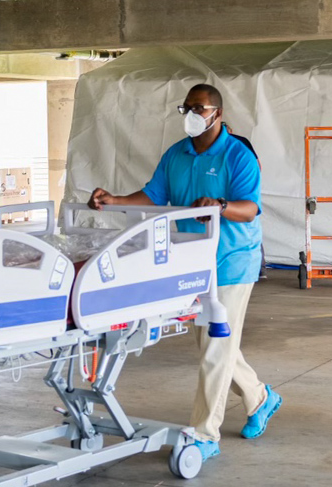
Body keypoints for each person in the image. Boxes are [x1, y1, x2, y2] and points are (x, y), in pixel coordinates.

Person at [88, 83, 282, 461]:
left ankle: (205, 433)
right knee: (212, 344)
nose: (192, 114)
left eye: (200, 108)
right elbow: (153, 196)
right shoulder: (176, 155)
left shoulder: (237, 155)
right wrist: (114, 200)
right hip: (191, 260)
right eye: (186, 108)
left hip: (231, 261)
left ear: (217, 114)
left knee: (214, 346)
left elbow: (250, 208)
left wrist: (220, 205)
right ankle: (260, 397)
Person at [223, 122, 267, 280]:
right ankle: (261, 268)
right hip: (239, 195)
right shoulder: (241, 141)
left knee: (247, 223)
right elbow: (258, 164)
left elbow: (254, 164)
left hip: (234, 196)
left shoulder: (237, 144)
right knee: (249, 227)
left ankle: (259, 267)